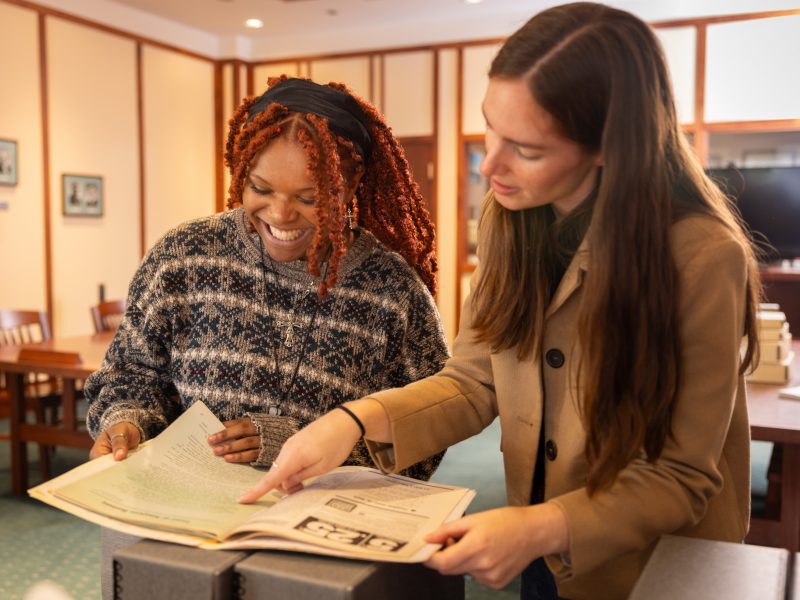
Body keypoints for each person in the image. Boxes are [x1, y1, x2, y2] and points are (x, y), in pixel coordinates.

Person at [239, 4, 761, 600]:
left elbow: (680, 475)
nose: (491, 165)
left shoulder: (700, 257)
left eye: (528, 149)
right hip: (542, 544)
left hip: (650, 569)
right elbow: (473, 380)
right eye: (490, 126)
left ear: (609, 147)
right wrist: (352, 421)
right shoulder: (509, 220)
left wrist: (538, 526)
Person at [84, 76, 448, 485]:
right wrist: (126, 421)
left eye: (309, 198)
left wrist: (303, 445)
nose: (279, 214)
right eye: (259, 188)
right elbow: (129, 372)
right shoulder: (184, 256)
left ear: (351, 185)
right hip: (176, 517)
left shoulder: (393, 291)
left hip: (317, 531)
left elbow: (425, 435)